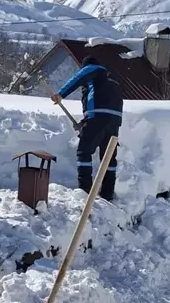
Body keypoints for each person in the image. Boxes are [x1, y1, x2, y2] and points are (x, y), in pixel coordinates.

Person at [51, 56, 124, 201]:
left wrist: (61, 94)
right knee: (108, 157)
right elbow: (103, 105)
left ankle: (85, 192)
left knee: (84, 152)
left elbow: (79, 77)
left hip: (97, 118)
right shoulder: (112, 82)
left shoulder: (94, 69)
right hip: (114, 122)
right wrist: (84, 123)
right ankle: (108, 193)